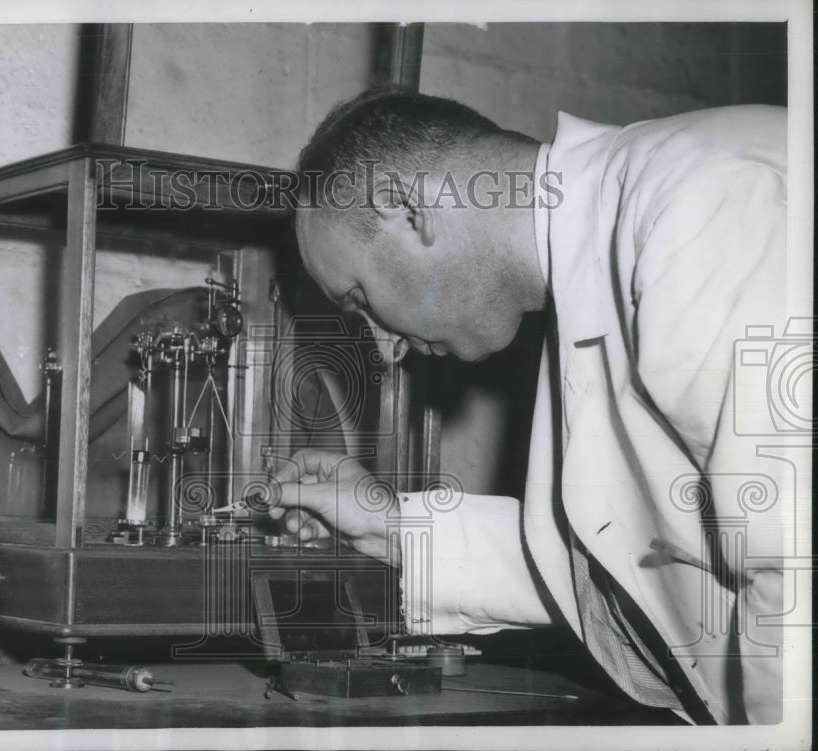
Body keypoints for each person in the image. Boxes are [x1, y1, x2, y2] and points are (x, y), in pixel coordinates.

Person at [266, 89, 789, 725]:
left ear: (409, 209)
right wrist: (383, 521)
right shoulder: (599, 264)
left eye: (360, 299)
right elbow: (618, 569)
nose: (383, 348)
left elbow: (794, 569)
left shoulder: (701, 204)